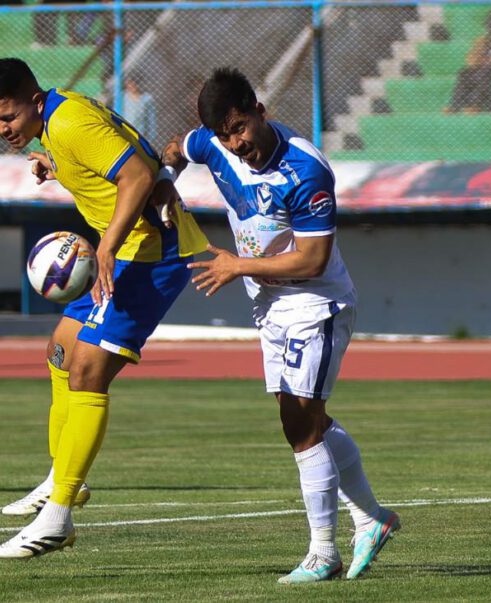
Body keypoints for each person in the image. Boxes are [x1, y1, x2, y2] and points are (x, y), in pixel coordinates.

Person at [160, 68, 399, 583]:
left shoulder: (305, 170)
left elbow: (313, 259)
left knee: (299, 423)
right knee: (307, 422)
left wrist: (236, 265)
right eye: (226, 134)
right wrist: (166, 184)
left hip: (316, 302)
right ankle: (371, 519)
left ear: (260, 110)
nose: (236, 142)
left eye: (241, 127)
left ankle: (323, 553)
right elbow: (178, 148)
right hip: (269, 304)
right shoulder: (213, 144)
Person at [0, 58, 208, 558]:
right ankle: (64, 478)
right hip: (122, 252)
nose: (1, 129)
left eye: (7, 117)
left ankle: (58, 517)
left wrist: (106, 246)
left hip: (150, 254)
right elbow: (123, 152)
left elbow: (139, 175)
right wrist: (54, 165)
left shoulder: (69, 122)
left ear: (33, 101)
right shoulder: (57, 120)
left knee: (86, 371)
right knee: (61, 349)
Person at [122, 74, 156, 147]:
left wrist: (150, 139)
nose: (132, 86)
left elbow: (151, 120)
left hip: (141, 135)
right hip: (125, 134)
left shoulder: (147, 99)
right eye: (129, 83)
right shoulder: (122, 98)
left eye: (134, 83)